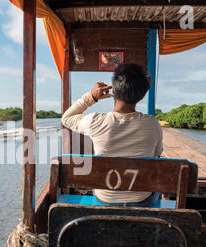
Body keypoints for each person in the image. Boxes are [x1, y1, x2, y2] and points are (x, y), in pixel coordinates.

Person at [61, 63, 163, 207]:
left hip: (105, 199)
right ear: (142, 95)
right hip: (141, 200)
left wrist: (91, 97)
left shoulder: (96, 122)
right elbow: (157, 155)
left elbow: (66, 119)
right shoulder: (153, 125)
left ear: (113, 90)